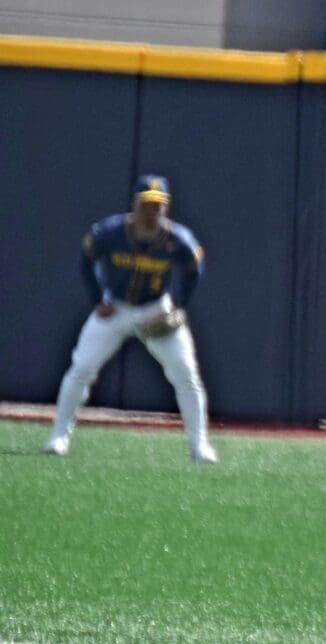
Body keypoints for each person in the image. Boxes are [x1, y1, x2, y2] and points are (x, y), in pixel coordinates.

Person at [45, 175, 216, 463]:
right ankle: (59, 435)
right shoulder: (110, 232)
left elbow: (193, 270)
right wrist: (98, 299)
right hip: (117, 307)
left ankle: (199, 446)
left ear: (166, 207)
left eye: (158, 205)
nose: (153, 211)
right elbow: (86, 259)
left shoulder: (177, 239)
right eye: (147, 204)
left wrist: (178, 306)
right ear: (135, 205)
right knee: (82, 367)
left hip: (154, 307)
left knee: (186, 374)